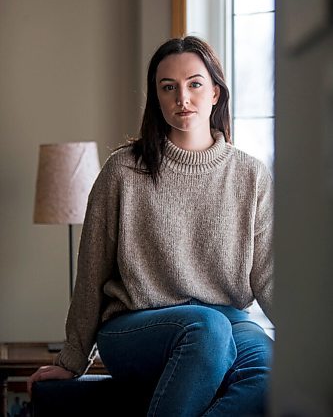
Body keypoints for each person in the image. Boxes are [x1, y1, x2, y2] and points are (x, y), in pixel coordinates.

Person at [27, 36, 274, 416]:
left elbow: (269, 277)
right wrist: (72, 359)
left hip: (228, 321)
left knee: (269, 368)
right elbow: (93, 271)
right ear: (156, 97)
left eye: (194, 84)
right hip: (136, 328)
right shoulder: (123, 171)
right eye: (168, 87)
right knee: (207, 330)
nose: (182, 98)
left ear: (215, 94)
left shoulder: (251, 175)